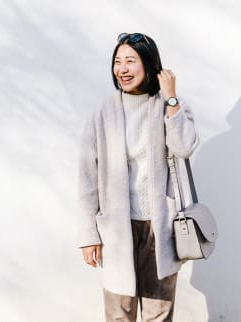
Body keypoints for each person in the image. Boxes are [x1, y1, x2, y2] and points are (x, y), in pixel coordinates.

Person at [77, 32, 199, 322]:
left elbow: (184, 147)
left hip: (160, 227)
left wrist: (171, 98)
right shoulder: (102, 113)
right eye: (118, 62)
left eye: (130, 60)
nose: (122, 69)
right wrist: (88, 235)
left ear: (149, 64)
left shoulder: (168, 106)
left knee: (159, 314)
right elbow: (87, 177)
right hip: (117, 228)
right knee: (119, 313)